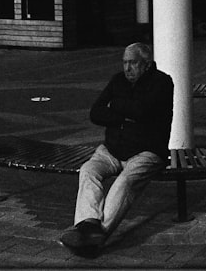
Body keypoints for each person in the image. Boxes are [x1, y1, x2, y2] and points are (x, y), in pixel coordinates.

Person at [59, 42, 173, 255]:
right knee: (88, 171)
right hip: (111, 150)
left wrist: (116, 108)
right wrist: (124, 118)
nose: (127, 68)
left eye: (133, 63)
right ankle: (88, 226)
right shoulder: (117, 80)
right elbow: (96, 112)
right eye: (125, 63)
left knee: (124, 182)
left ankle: (94, 239)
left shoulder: (162, 82)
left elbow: (143, 111)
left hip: (146, 151)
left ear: (147, 65)